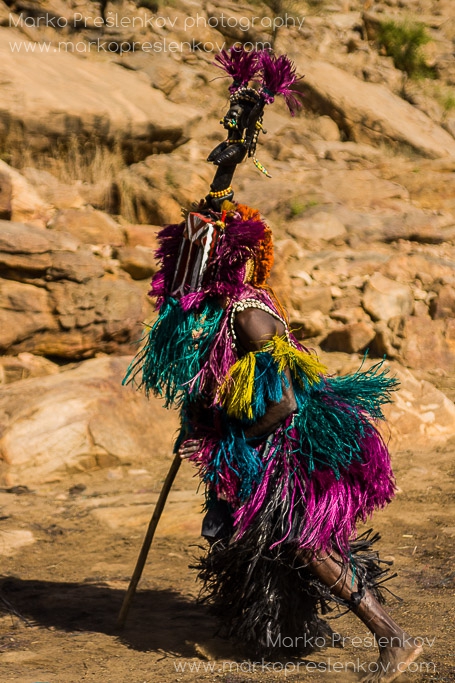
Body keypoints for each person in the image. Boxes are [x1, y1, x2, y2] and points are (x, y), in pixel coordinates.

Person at [125, 47, 423, 682]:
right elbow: (223, 374)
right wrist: (205, 415)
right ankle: (278, 634)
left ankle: (393, 636)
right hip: (250, 443)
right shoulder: (213, 311)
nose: (183, 268)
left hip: (283, 446)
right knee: (262, 548)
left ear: (224, 263)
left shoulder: (250, 315)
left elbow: (283, 401)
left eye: (195, 258)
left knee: (302, 538)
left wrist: (219, 446)